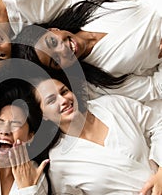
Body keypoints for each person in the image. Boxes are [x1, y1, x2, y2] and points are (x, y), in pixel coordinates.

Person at [29, 68, 162, 194]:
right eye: (51, 100)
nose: (63, 100)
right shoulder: (59, 163)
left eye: (64, 91)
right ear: (43, 115)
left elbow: (157, 123)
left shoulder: (111, 105)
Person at [14, 0, 162, 102]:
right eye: (55, 61)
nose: (63, 50)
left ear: (52, 29)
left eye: (52, 42)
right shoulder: (101, 81)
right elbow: (154, 89)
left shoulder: (86, 5)